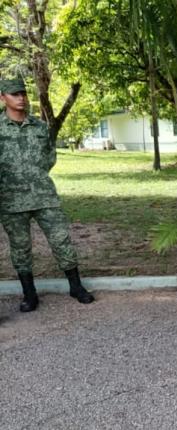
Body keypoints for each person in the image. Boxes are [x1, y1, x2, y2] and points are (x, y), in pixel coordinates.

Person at [0, 78, 94, 312]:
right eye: (14, 94)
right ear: (3, 98)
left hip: (44, 196)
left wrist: (35, 176)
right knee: (20, 248)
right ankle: (29, 295)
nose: (21, 97)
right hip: (11, 200)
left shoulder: (40, 127)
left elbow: (49, 156)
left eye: (22, 93)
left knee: (61, 239)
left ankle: (76, 286)